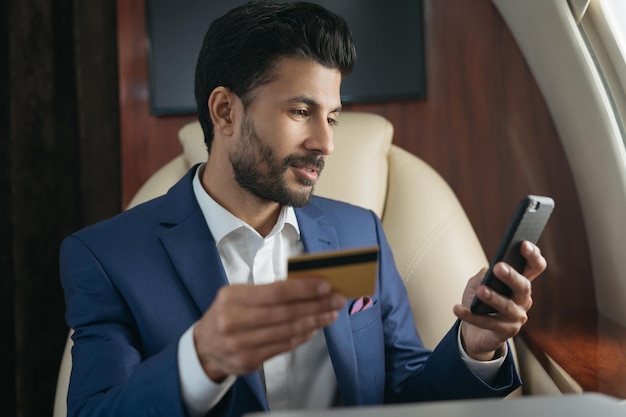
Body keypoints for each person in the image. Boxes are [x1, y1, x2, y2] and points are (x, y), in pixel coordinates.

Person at [60, 1, 547, 416]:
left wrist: (473, 347)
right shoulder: (107, 258)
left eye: (331, 116)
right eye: (300, 112)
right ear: (225, 111)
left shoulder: (360, 234)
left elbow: (403, 395)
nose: (326, 142)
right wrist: (199, 359)